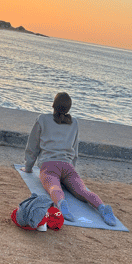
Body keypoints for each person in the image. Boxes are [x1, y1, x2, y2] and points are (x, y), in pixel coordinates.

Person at [21, 92, 117, 226]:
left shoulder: (42, 119)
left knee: (54, 186)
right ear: (68, 108)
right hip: (67, 165)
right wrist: (72, 167)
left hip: (49, 165)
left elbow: (33, 146)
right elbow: (75, 148)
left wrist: (28, 167)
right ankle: (102, 207)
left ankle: (61, 203)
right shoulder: (74, 123)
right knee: (83, 191)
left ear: (53, 105)